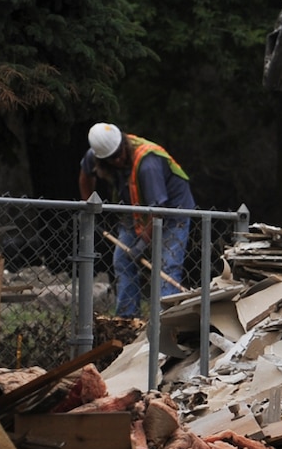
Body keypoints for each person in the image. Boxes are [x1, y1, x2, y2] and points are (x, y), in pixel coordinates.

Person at [79, 122, 196, 318]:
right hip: (136, 209)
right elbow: (85, 175)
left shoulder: (148, 163)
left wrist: (141, 245)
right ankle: (127, 319)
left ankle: (166, 322)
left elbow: (158, 210)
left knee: (166, 267)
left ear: (123, 143)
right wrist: (89, 207)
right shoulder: (97, 154)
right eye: (111, 159)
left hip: (173, 211)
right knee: (122, 260)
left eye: (118, 154)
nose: (117, 160)